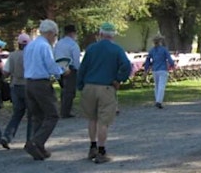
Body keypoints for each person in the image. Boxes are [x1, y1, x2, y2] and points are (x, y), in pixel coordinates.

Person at [77, 22, 131, 163]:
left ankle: (92, 146)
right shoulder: (117, 49)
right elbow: (126, 66)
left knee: (92, 119)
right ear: (113, 36)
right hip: (106, 87)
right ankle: (102, 151)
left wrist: (80, 85)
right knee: (103, 121)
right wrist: (119, 79)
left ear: (100, 34)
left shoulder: (91, 49)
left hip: (89, 86)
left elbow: (83, 68)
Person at [23, 19, 68, 160]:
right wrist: (62, 71)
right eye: (55, 35)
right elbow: (50, 65)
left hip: (29, 82)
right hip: (41, 83)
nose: (55, 38)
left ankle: (38, 147)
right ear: (49, 33)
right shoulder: (44, 46)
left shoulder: (30, 45)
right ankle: (36, 141)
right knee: (52, 114)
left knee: (38, 115)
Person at [0, 34, 32, 150]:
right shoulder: (30, 55)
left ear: (18, 44)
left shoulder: (12, 56)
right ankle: (30, 141)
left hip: (15, 86)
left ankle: (7, 136)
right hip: (28, 86)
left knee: (17, 113)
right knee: (31, 115)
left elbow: (6, 73)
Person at [54, 24, 81, 118]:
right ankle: (66, 111)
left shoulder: (59, 43)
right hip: (70, 68)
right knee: (70, 91)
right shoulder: (73, 44)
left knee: (64, 90)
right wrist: (78, 70)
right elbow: (76, 59)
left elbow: (55, 55)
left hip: (59, 67)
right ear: (73, 33)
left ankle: (63, 109)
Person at [144, 35, 175, 109]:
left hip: (155, 69)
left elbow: (147, 60)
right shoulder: (164, 50)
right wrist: (172, 65)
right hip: (163, 69)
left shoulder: (152, 50)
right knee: (161, 86)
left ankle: (157, 100)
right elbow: (169, 59)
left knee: (156, 86)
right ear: (161, 41)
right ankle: (159, 101)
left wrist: (146, 69)